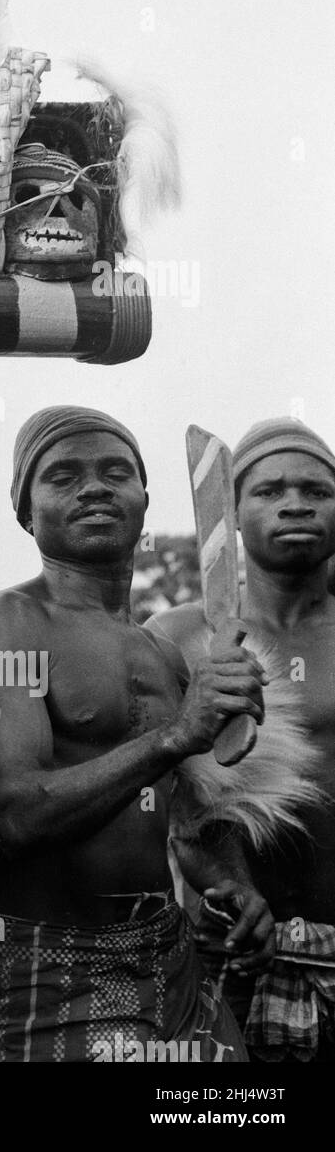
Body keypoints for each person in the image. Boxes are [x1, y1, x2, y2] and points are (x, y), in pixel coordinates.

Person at [0, 404, 275, 1062]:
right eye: (62, 476)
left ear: (143, 499)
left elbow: (184, 822)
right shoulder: (6, 623)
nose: (94, 487)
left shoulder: (162, 651)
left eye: (114, 471)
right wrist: (172, 737)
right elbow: (12, 818)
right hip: (47, 967)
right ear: (24, 511)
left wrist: (231, 885)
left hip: (167, 955)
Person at [149, 418, 335, 1061]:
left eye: (317, 489)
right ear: (228, 512)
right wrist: (220, 878)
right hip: (231, 949)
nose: (295, 503)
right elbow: (158, 791)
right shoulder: (177, 637)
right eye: (270, 490)